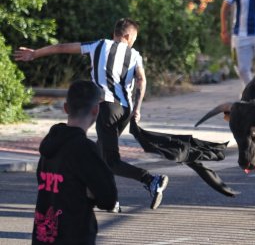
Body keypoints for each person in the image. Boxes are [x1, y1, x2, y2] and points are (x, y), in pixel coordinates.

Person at [14, 18, 168, 211]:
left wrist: (35, 53)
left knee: (110, 160)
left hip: (107, 107)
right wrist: (137, 108)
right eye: (134, 38)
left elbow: (62, 47)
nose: (133, 42)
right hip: (125, 111)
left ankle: (151, 180)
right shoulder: (135, 55)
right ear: (128, 36)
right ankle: (101, 198)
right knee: (100, 154)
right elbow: (141, 81)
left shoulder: (98, 45)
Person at [32, 80, 117, 244]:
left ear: (66, 108)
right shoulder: (84, 149)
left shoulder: (49, 145)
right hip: (74, 236)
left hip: (43, 238)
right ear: (96, 110)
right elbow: (108, 198)